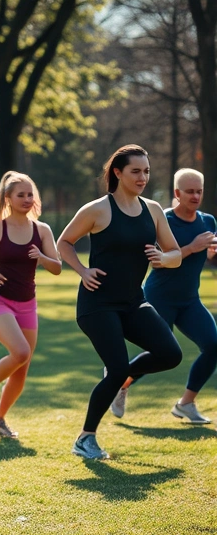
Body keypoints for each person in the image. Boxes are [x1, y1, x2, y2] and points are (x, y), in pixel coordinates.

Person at [57, 144, 183, 460]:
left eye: (146, 171)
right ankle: (85, 439)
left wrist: (163, 258)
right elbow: (64, 242)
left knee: (171, 354)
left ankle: (123, 380)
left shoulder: (153, 210)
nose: (143, 178)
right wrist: (82, 270)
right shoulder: (97, 209)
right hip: (97, 304)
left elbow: (176, 254)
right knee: (115, 369)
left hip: (133, 302)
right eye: (135, 171)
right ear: (118, 172)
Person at [110, 168, 217, 424]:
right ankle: (119, 379)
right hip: (159, 298)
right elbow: (157, 261)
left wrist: (211, 253)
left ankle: (186, 404)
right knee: (162, 353)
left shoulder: (208, 222)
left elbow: (207, 256)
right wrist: (192, 247)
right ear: (177, 193)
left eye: (199, 191)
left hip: (189, 300)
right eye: (189, 191)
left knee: (213, 346)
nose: (195, 196)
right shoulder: (161, 219)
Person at [0, 172, 62, 438]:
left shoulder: (42, 230)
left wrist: (41, 256)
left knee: (21, 370)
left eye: (30, 194)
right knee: (20, 352)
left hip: (27, 304)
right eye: (21, 195)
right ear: (8, 198)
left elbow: (57, 268)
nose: (27, 199)